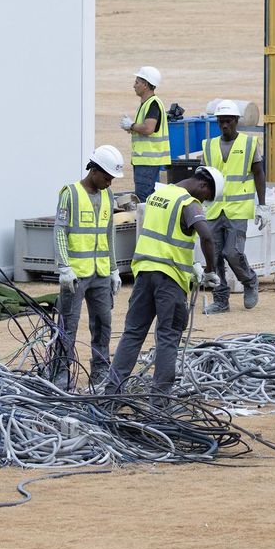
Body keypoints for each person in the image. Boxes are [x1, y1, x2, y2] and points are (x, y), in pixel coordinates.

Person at [105, 166, 223, 397]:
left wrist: (191, 265)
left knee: (133, 333)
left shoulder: (158, 195)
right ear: (203, 185)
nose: (204, 202)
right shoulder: (188, 203)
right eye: (206, 197)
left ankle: (111, 393)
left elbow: (166, 235)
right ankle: (160, 400)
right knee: (168, 337)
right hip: (169, 279)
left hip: (144, 273)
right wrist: (210, 270)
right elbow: (206, 236)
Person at [53, 145, 126, 391]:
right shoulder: (70, 194)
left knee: (103, 324)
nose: (109, 183)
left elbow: (109, 235)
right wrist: (64, 267)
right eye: (107, 177)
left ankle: (100, 369)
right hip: (75, 275)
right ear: (94, 170)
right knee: (68, 325)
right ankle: (61, 372)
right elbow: (60, 231)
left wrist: (114, 269)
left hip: (101, 274)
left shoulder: (108, 196)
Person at [199, 99, 270, 313]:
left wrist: (262, 205)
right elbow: (201, 177)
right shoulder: (209, 145)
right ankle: (221, 300)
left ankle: (249, 281)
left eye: (228, 121)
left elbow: (258, 174)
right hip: (213, 209)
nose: (224, 126)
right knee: (214, 255)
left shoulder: (249, 144)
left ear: (236, 121)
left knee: (232, 252)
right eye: (221, 122)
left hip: (238, 210)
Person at [121, 66, 169, 203]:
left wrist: (131, 125)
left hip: (147, 161)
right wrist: (132, 128)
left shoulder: (153, 104)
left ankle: (145, 224)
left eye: (137, 82)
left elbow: (148, 128)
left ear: (146, 84)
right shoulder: (146, 104)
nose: (133, 85)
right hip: (144, 160)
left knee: (143, 198)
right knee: (144, 196)